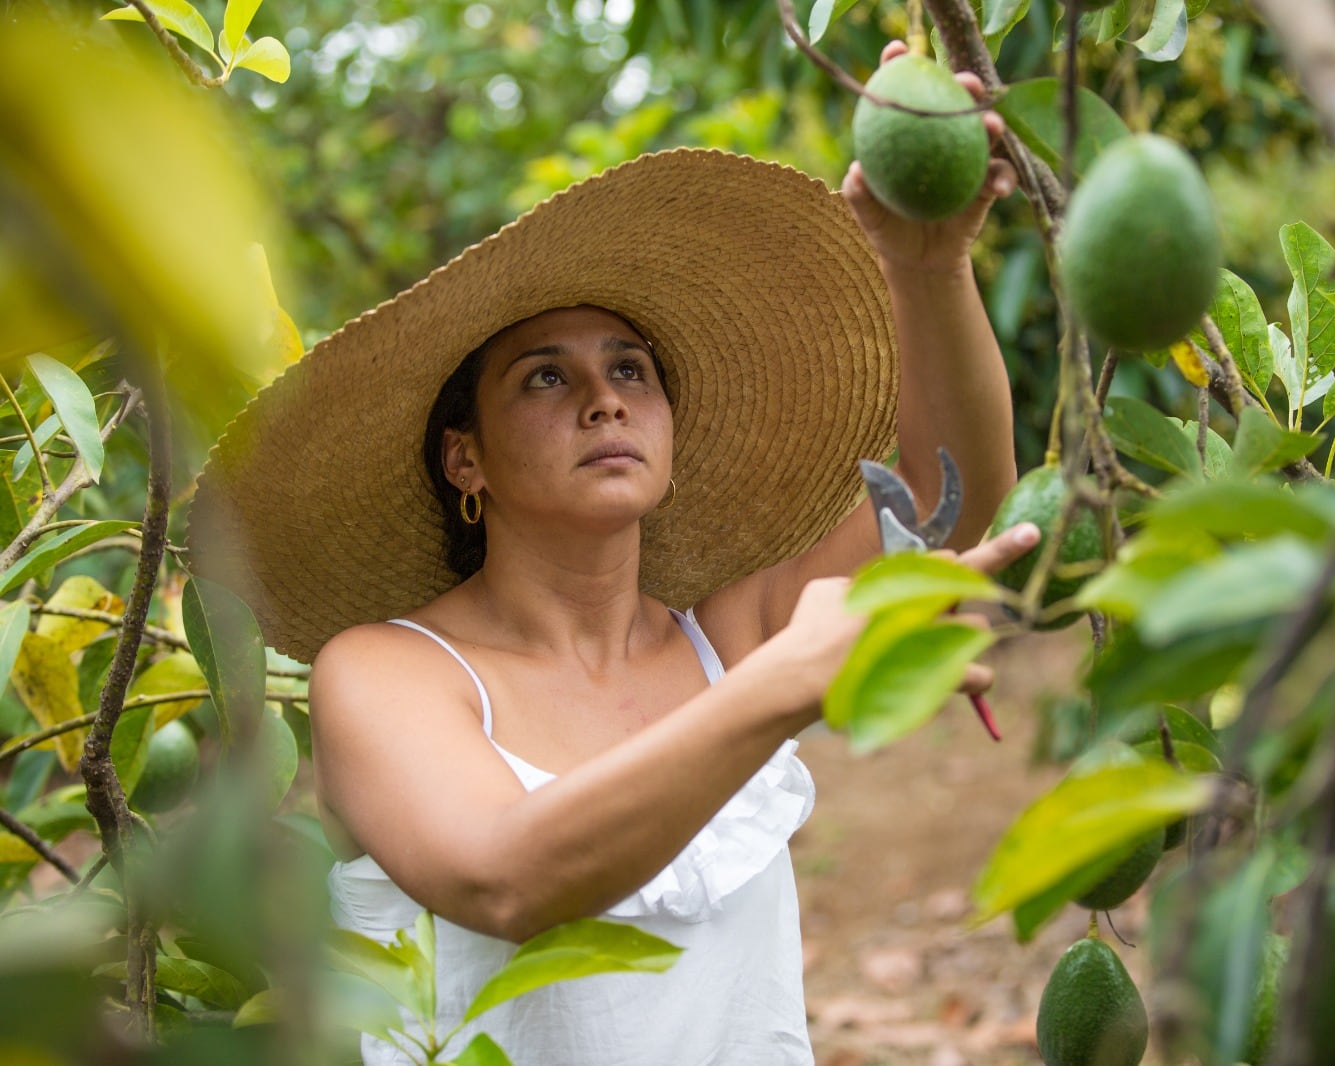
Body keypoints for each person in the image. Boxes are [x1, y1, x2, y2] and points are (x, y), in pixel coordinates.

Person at [190, 43, 1036, 1065]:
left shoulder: (729, 636)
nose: (605, 400)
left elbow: (946, 507)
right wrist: (781, 686)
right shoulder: (385, 671)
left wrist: (929, 269)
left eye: (631, 369)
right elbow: (503, 876)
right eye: (544, 378)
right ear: (466, 458)